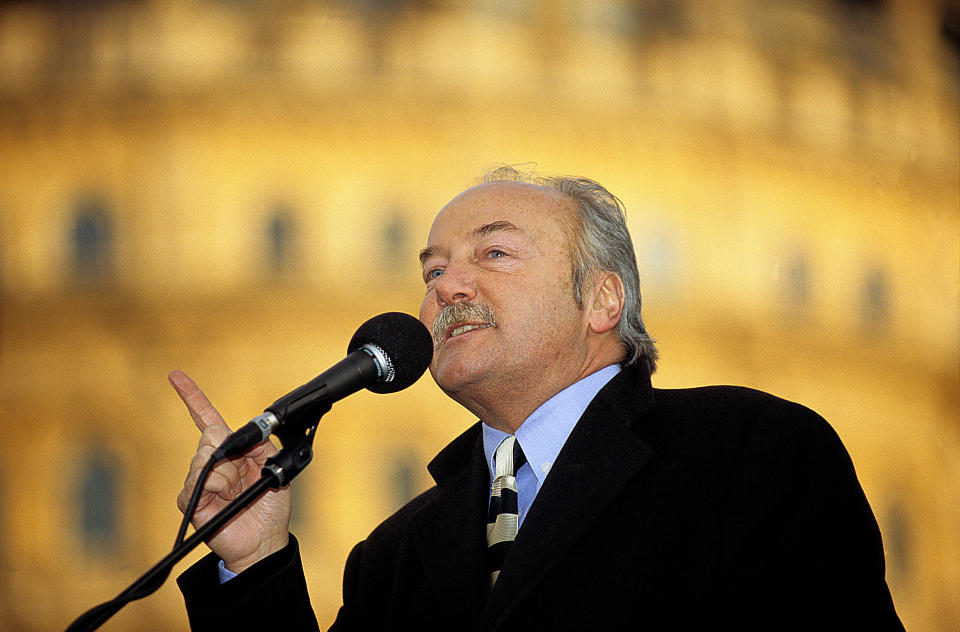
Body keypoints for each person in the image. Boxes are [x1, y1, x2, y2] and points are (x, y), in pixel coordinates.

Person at [173, 167, 904, 630]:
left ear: (602, 297)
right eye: (432, 271)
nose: (447, 287)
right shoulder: (394, 557)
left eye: (494, 253)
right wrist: (255, 560)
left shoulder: (752, 454)